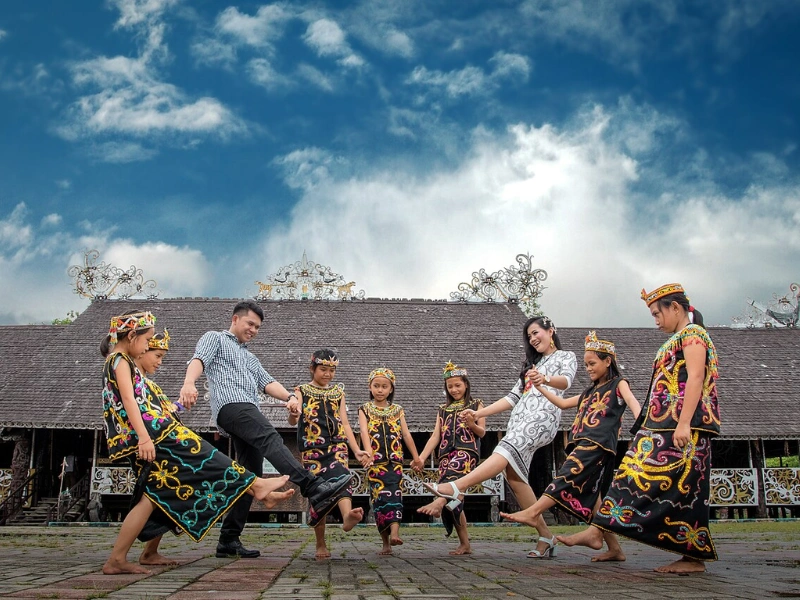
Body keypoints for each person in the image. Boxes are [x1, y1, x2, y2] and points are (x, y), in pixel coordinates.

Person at [101, 313, 293, 575]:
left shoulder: (135, 371)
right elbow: (128, 400)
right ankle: (256, 486)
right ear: (132, 336)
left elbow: (155, 406)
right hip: (152, 436)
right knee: (203, 455)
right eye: (148, 343)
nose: (149, 348)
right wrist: (144, 437)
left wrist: (180, 403)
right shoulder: (120, 360)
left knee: (160, 492)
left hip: (154, 432)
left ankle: (141, 553)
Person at [557, 284, 720, 574]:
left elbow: (695, 377)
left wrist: (683, 423)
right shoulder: (678, 338)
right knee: (632, 473)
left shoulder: (694, 336)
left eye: (658, 313)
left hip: (684, 426)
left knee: (685, 488)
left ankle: (692, 558)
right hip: (660, 424)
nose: (656, 320)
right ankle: (600, 530)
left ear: (676, 308)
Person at [179, 301, 353, 559]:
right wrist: (188, 383)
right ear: (235, 319)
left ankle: (228, 540)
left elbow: (267, 382)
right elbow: (198, 360)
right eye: (250, 324)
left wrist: (290, 399)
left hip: (246, 408)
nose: (253, 330)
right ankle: (313, 486)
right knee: (269, 436)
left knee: (250, 474)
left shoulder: (250, 357)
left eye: (258, 327)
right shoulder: (214, 338)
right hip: (232, 406)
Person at [423, 316, 577, 558]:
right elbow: (512, 398)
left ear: (551, 330)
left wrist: (545, 379)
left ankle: (454, 486)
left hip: (541, 419)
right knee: (514, 477)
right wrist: (478, 412)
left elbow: (566, 382)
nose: (533, 339)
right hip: (518, 421)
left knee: (503, 449)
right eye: (529, 336)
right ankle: (546, 536)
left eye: (536, 333)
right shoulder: (530, 365)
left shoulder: (566, 356)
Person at [500, 331, 641, 563]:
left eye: (592, 363)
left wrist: (641, 428)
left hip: (599, 445)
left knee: (567, 475)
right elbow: (563, 403)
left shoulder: (619, 384)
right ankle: (613, 548)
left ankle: (534, 511)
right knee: (595, 497)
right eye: (586, 365)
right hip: (582, 443)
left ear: (608, 361)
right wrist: (542, 384)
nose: (588, 368)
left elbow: (634, 404)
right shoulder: (588, 392)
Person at [289, 349, 371, 559]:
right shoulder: (302, 391)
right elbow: (293, 419)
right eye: (323, 369)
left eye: (331, 370)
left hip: (337, 447)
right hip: (313, 450)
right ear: (312, 369)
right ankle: (320, 544)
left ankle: (346, 517)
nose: (327, 374)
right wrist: (293, 412)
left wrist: (356, 450)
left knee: (343, 479)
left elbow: (344, 423)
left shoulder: (338, 393)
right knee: (320, 494)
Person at [415, 362, 485, 555]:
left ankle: (438, 502)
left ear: (466, 385)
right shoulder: (443, 409)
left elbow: (482, 432)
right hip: (445, 455)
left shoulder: (475, 404)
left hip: (466, 453)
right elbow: (435, 437)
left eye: (458, 385)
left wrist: (471, 423)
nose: (454, 389)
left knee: (452, 485)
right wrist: (421, 458)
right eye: (450, 386)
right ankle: (465, 544)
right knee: (455, 502)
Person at [358, 367, 421, 555]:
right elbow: (363, 432)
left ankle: (395, 533)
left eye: (384, 386)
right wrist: (368, 453)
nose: (380, 390)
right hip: (375, 465)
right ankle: (385, 543)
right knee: (379, 500)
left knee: (395, 496)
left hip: (395, 463)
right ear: (370, 387)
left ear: (391, 389)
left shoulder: (397, 410)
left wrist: (417, 457)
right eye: (376, 386)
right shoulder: (365, 409)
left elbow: (406, 434)